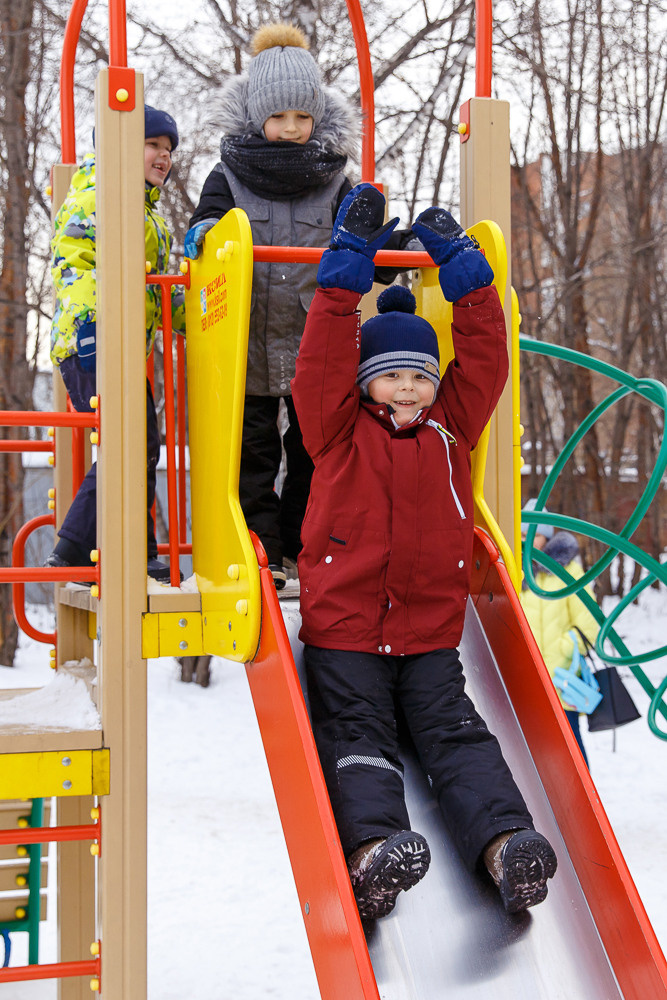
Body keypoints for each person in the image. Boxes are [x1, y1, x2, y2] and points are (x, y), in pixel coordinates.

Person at [291, 184, 558, 921]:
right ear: (365, 380)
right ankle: (374, 851)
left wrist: (466, 276)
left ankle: (506, 846)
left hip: (430, 635)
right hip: (346, 633)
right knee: (359, 740)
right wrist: (346, 265)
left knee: (458, 737)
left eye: (419, 375)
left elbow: (486, 358)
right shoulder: (335, 431)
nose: (408, 388)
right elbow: (318, 358)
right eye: (392, 374)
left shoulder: (451, 430)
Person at [185, 23, 412, 589]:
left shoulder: (334, 180)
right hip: (247, 345)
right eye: (280, 117)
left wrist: (394, 252)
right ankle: (259, 551)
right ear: (257, 116)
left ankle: (298, 547)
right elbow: (208, 223)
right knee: (253, 454)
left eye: (303, 118)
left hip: (318, 346)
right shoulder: (229, 174)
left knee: (317, 452)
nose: (291, 129)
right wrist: (207, 234)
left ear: (318, 119)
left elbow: (362, 245)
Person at [45, 105, 184, 583]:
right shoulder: (98, 197)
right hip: (93, 340)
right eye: (153, 146)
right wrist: (90, 328)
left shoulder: (146, 215)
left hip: (118, 345)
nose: (164, 157)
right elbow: (76, 261)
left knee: (139, 442)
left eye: (168, 150)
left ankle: (134, 546)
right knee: (130, 441)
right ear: (119, 149)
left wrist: (197, 313)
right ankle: (73, 549)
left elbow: (157, 288)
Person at [520, 501, 600, 768]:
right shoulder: (515, 571)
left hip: (560, 682)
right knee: (528, 757)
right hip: (525, 682)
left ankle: (580, 806)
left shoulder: (567, 571)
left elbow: (588, 626)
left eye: (533, 535)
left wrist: (562, 650)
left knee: (571, 753)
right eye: (520, 535)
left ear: (548, 537)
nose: (526, 541)